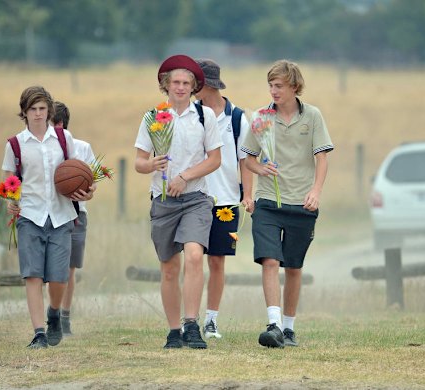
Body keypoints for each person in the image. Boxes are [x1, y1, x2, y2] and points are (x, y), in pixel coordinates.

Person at [240, 60, 333, 348]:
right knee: (270, 261)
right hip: (267, 203)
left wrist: (316, 191)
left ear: (294, 86)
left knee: (293, 267)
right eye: (270, 85)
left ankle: (289, 329)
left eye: (278, 85)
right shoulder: (260, 117)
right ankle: (274, 325)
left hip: (301, 205)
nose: (273, 90)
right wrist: (253, 184)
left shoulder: (313, 116)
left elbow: (322, 158)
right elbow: (247, 159)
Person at [134, 54, 223, 349]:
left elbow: (214, 160)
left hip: (196, 197)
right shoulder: (153, 117)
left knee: (195, 255)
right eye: (176, 82)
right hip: (162, 201)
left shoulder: (204, 116)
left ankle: (191, 324)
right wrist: (152, 165)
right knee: (170, 267)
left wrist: (185, 176)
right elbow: (138, 162)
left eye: (187, 82)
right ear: (166, 84)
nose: (181, 87)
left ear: (195, 86)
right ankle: (174, 331)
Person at [1, 86, 95, 349]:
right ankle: (39, 333)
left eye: (43, 109)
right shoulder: (15, 144)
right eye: (33, 109)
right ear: (24, 112)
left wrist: (88, 191)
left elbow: (80, 173)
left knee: (58, 277)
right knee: (32, 275)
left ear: (49, 111)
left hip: (62, 215)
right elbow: (8, 179)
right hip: (29, 215)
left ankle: (54, 312)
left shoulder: (64, 139)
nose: (38, 114)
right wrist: (10, 199)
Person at [194, 58, 255, 339]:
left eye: (196, 84)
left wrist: (248, 193)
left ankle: (211, 320)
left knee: (217, 261)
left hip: (227, 201)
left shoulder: (237, 117)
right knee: (193, 260)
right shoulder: (190, 115)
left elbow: (245, 159)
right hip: (195, 198)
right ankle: (189, 319)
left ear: (207, 85)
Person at [51, 101, 95, 335]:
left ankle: (64, 316)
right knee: (52, 269)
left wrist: (87, 192)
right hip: (49, 214)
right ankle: (52, 314)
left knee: (68, 269)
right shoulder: (40, 149)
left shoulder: (82, 148)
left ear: (59, 124)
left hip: (76, 213)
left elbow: (92, 184)